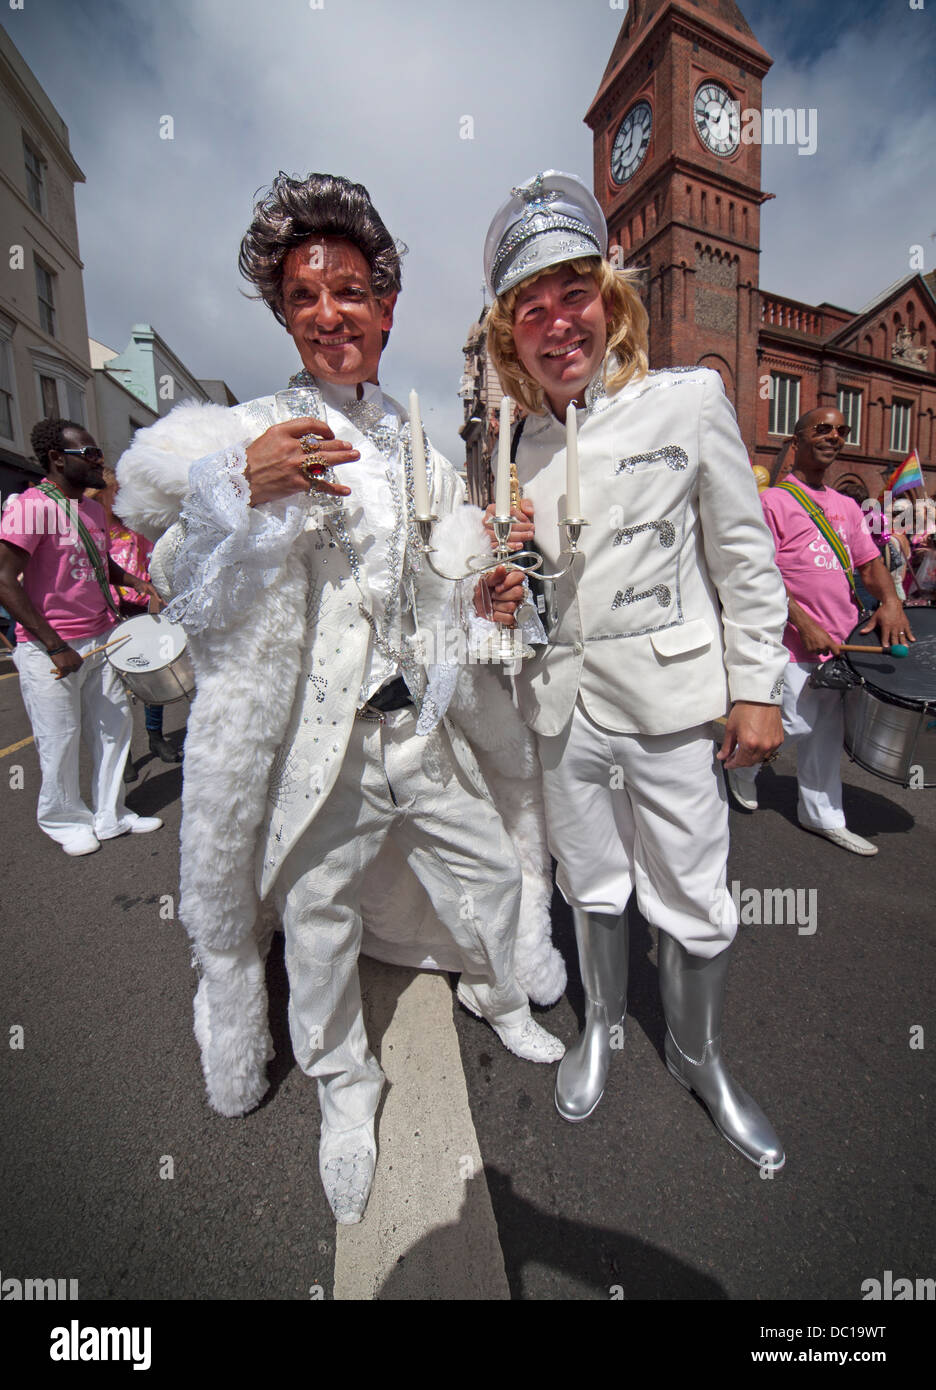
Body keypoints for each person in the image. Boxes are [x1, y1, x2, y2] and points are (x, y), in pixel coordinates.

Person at [114, 172, 565, 1224]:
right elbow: (160, 529)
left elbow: (452, 569)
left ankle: (502, 991)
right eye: (307, 295)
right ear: (283, 311)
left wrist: (490, 589)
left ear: (386, 306)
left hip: (423, 722)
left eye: (351, 291)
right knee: (316, 926)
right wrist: (240, 476)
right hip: (325, 746)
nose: (330, 313)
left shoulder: (413, 444)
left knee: (496, 872)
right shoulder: (253, 427)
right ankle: (344, 1093)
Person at [482, 170, 789, 1168]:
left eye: (571, 293)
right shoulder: (520, 443)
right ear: (511, 337)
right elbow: (534, 593)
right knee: (593, 883)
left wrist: (755, 686)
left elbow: (743, 556)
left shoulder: (689, 400)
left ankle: (700, 1055)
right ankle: (603, 1026)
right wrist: (502, 590)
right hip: (563, 714)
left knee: (696, 893)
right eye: (531, 309)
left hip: (672, 706)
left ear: (609, 301)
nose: (555, 322)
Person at [727, 407, 911, 855]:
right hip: (791, 643)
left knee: (824, 735)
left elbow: (869, 566)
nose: (834, 436)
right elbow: (759, 574)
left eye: (841, 430)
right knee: (790, 721)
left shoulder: (848, 506)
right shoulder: (772, 502)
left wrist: (890, 602)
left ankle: (822, 815)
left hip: (842, 643)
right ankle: (742, 766)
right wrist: (803, 623)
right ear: (797, 441)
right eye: (822, 428)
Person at [0, 419, 163, 855]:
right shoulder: (31, 507)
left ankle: (112, 814)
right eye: (89, 454)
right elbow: (4, 579)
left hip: (102, 636)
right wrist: (54, 646)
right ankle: (63, 819)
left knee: (115, 729)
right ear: (57, 459)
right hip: (51, 645)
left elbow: (97, 562)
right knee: (60, 737)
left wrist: (136, 580)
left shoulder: (89, 509)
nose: (99, 461)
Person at [85, 466, 183, 768]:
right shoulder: (90, 531)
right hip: (107, 616)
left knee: (151, 678)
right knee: (113, 689)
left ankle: (155, 737)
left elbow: (155, 565)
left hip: (142, 614)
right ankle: (122, 753)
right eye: (114, 493)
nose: (119, 497)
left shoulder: (137, 531)